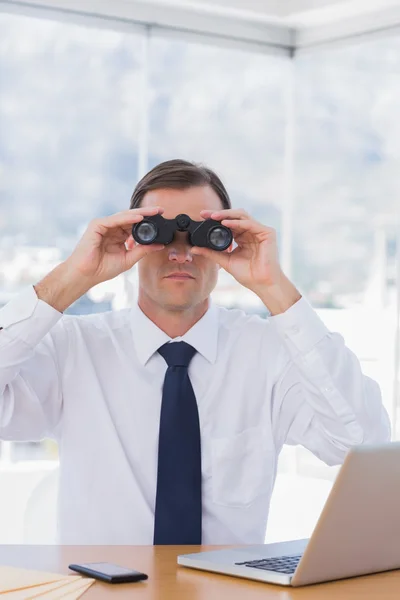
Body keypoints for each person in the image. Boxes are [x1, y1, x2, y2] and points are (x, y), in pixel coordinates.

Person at [0, 159, 390, 546]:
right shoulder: (73, 350)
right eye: (160, 234)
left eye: (205, 236)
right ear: (133, 239)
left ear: (228, 240)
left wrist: (276, 288)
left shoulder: (267, 355)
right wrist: (74, 276)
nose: (180, 252)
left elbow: (359, 441)